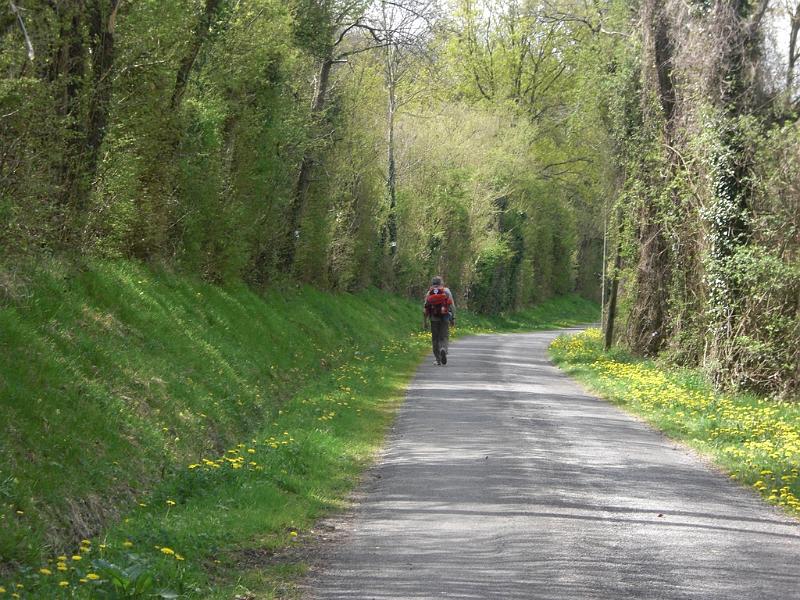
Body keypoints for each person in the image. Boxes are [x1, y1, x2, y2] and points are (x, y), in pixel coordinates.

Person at [423, 276, 455, 366]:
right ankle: (443, 349)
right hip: (445, 317)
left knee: (435, 338)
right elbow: (452, 306)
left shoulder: (429, 292)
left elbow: (425, 308)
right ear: (441, 283)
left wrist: (425, 321)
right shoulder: (446, 291)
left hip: (434, 318)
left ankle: (438, 359)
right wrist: (453, 318)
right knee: (444, 336)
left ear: (432, 283)